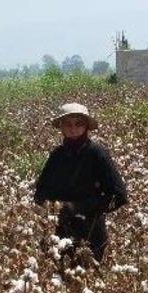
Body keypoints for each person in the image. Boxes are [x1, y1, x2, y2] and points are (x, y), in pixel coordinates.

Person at [34, 103, 128, 263]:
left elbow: (119, 195)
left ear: (86, 127)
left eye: (79, 123)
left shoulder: (97, 153)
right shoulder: (57, 155)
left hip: (90, 233)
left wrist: (78, 208)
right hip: (59, 231)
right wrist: (53, 211)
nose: (73, 128)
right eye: (68, 124)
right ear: (61, 127)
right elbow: (40, 193)